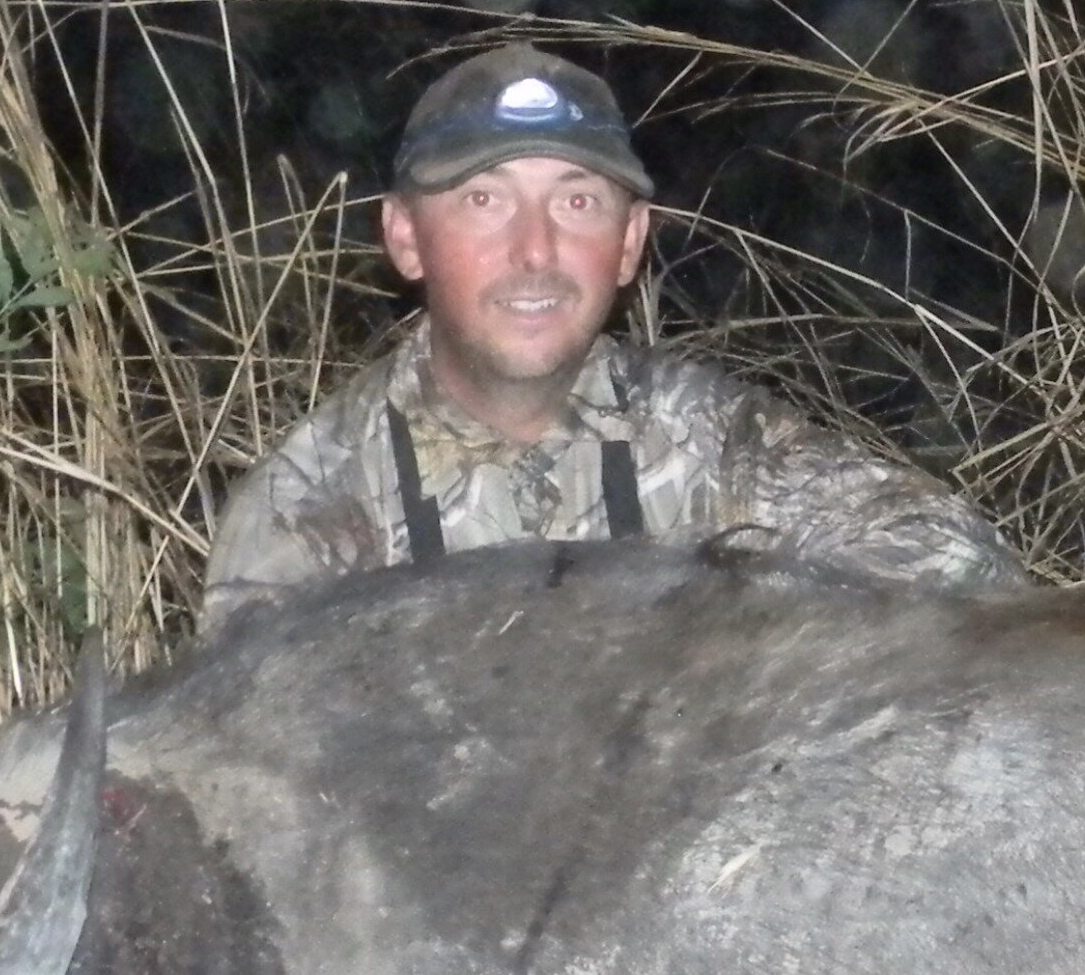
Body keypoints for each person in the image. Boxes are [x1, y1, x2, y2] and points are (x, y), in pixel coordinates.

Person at [201, 44, 1026, 629]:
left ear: (630, 244)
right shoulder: (306, 504)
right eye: (484, 202)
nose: (535, 252)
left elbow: (967, 570)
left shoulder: (712, 441)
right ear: (406, 238)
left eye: (576, 202)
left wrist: (737, 647)